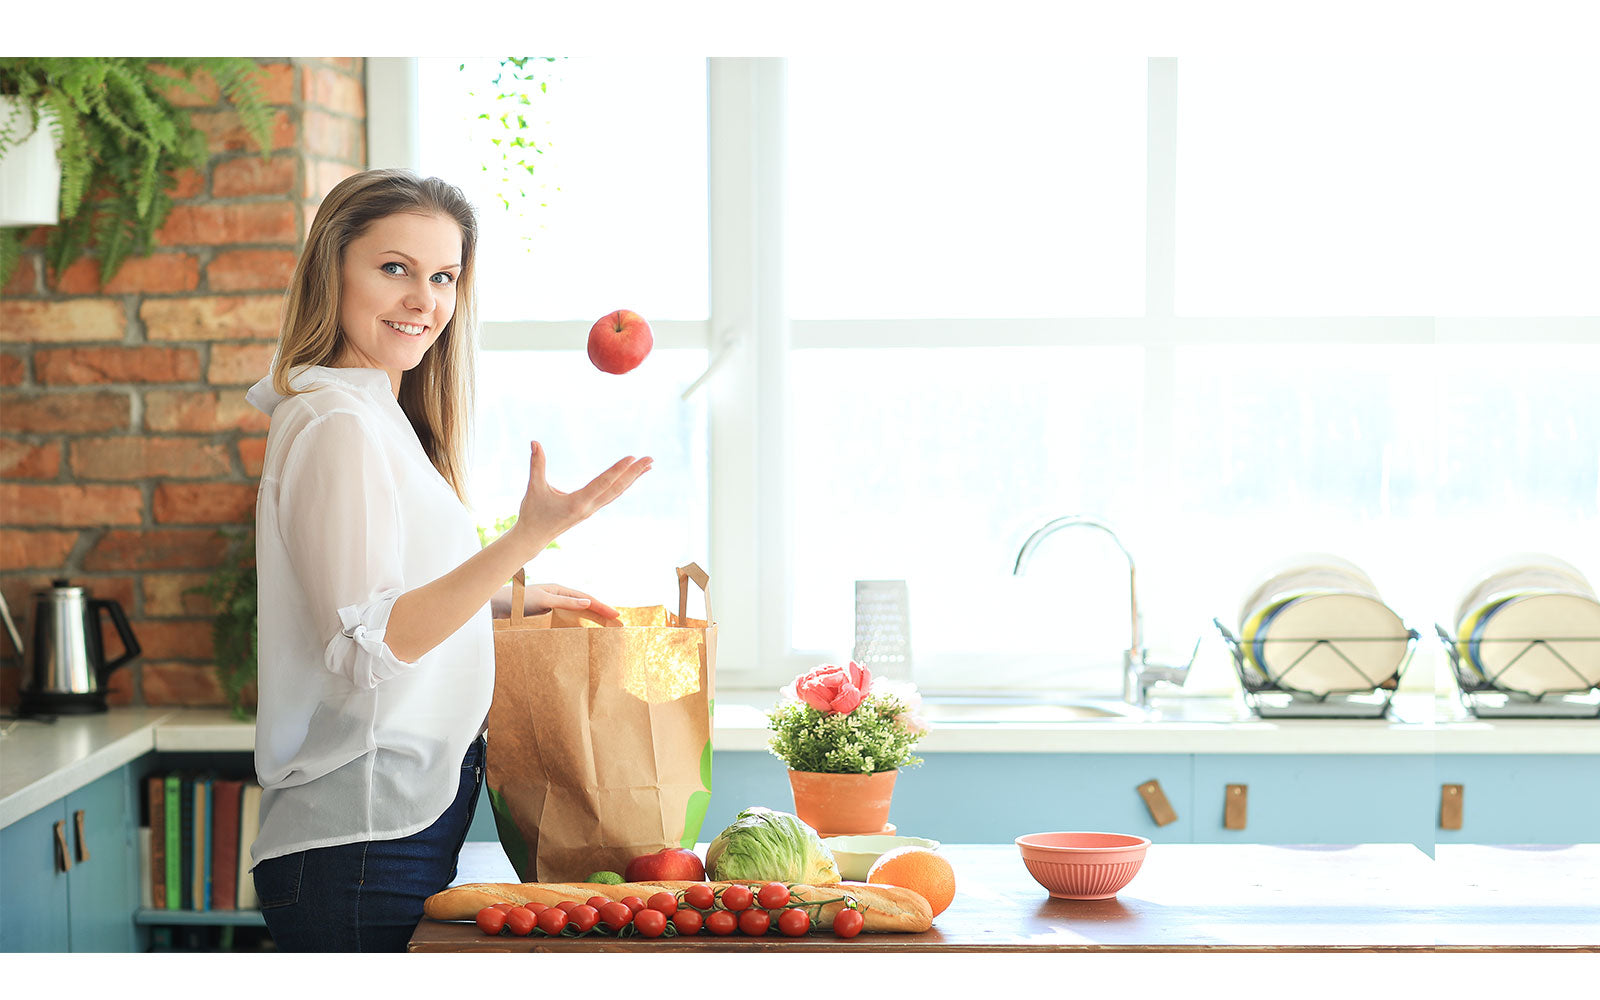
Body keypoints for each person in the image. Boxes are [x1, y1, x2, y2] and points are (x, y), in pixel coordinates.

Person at [243, 168, 652, 952]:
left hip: (390, 832)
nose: (423, 300)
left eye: (443, 277)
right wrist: (522, 542)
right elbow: (369, 647)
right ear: (333, 268)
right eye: (394, 268)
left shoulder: (370, 413)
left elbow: (372, 604)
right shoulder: (337, 424)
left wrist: (504, 603)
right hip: (360, 846)